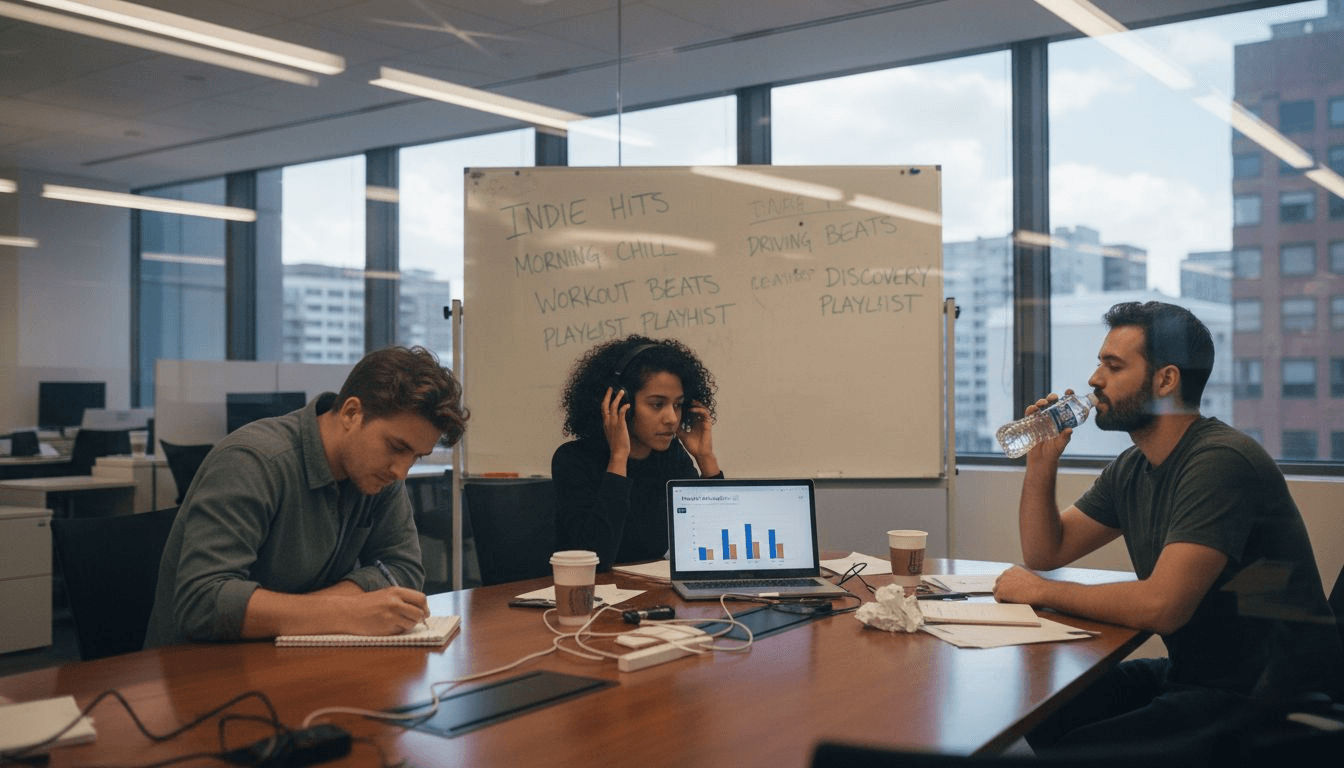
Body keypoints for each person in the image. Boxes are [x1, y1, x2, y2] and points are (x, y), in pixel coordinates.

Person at [993, 301, 1342, 750]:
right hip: (1197, 676)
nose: (1094, 379)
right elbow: (1046, 552)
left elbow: (1163, 606)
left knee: (1074, 749)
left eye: (1113, 366)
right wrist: (1041, 465)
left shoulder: (1220, 461)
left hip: (1273, 697)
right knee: (1043, 711)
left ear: (1165, 380)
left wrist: (1039, 590)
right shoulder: (1135, 466)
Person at [144, 346, 468, 647]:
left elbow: (404, 567)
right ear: (351, 413)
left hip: (294, 662)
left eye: (416, 456)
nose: (401, 470)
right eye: (397, 447)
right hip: (200, 674)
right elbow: (204, 601)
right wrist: (347, 611)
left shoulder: (379, 474)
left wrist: (333, 606)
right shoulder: (253, 461)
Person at [552, 335, 722, 570]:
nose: (672, 418)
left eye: (678, 404)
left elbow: (717, 545)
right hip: (595, 598)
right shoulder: (573, 459)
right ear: (621, 403)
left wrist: (706, 459)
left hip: (649, 595)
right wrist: (619, 457)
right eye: (657, 404)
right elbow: (595, 560)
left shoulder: (672, 458)